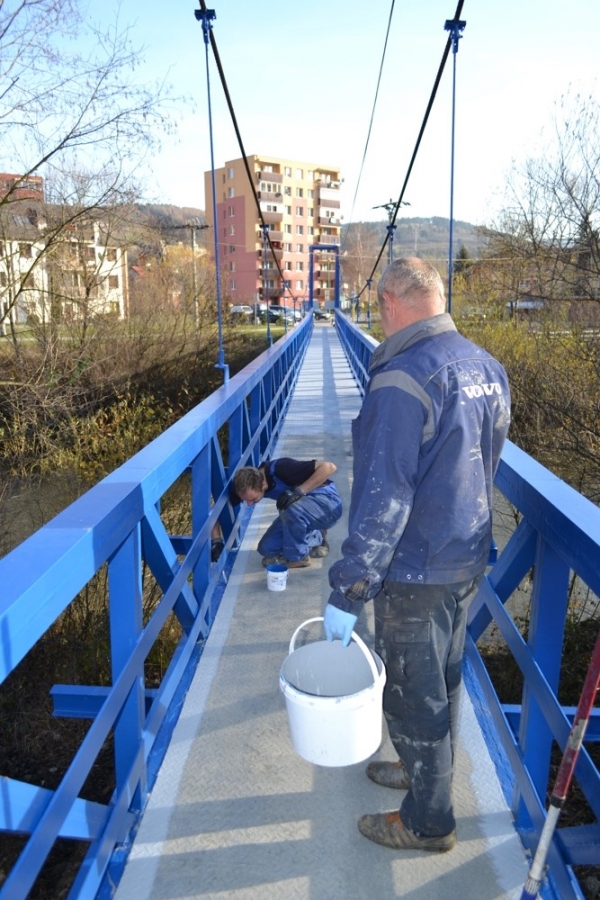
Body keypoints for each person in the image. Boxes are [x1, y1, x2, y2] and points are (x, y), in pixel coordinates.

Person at [323, 258, 511, 853]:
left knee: (411, 694)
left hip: (415, 568)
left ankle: (429, 822)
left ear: (388, 302)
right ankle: (420, 772)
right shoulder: (486, 366)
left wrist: (350, 588)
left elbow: (384, 498)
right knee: (444, 681)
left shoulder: (400, 380)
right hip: (466, 556)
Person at [234, 458, 343, 568]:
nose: (249, 504)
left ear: (263, 485)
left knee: (289, 507)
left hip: (327, 507)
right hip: (300, 512)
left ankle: (298, 557)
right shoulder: (251, 483)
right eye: (245, 500)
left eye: (252, 499)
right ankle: (317, 536)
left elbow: (329, 467)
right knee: (266, 548)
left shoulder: (283, 467)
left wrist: (298, 491)